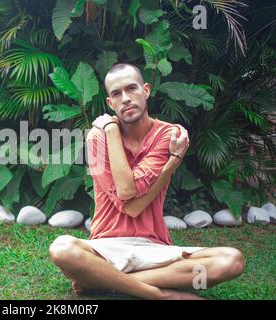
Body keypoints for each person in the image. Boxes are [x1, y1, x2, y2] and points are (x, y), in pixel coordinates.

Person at [49, 63, 245, 300]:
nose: (126, 99)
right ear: (110, 104)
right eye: (116, 94)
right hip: (106, 247)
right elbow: (126, 195)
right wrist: (113, 133)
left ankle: (101, 280)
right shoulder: (98, 136)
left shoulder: (167, 135)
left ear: (146, 90)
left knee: (230, 262)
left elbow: (132, 199)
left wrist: (169, 163)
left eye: (131, 89)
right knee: (62, 248)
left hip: (154, 248)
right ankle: (160, 294)